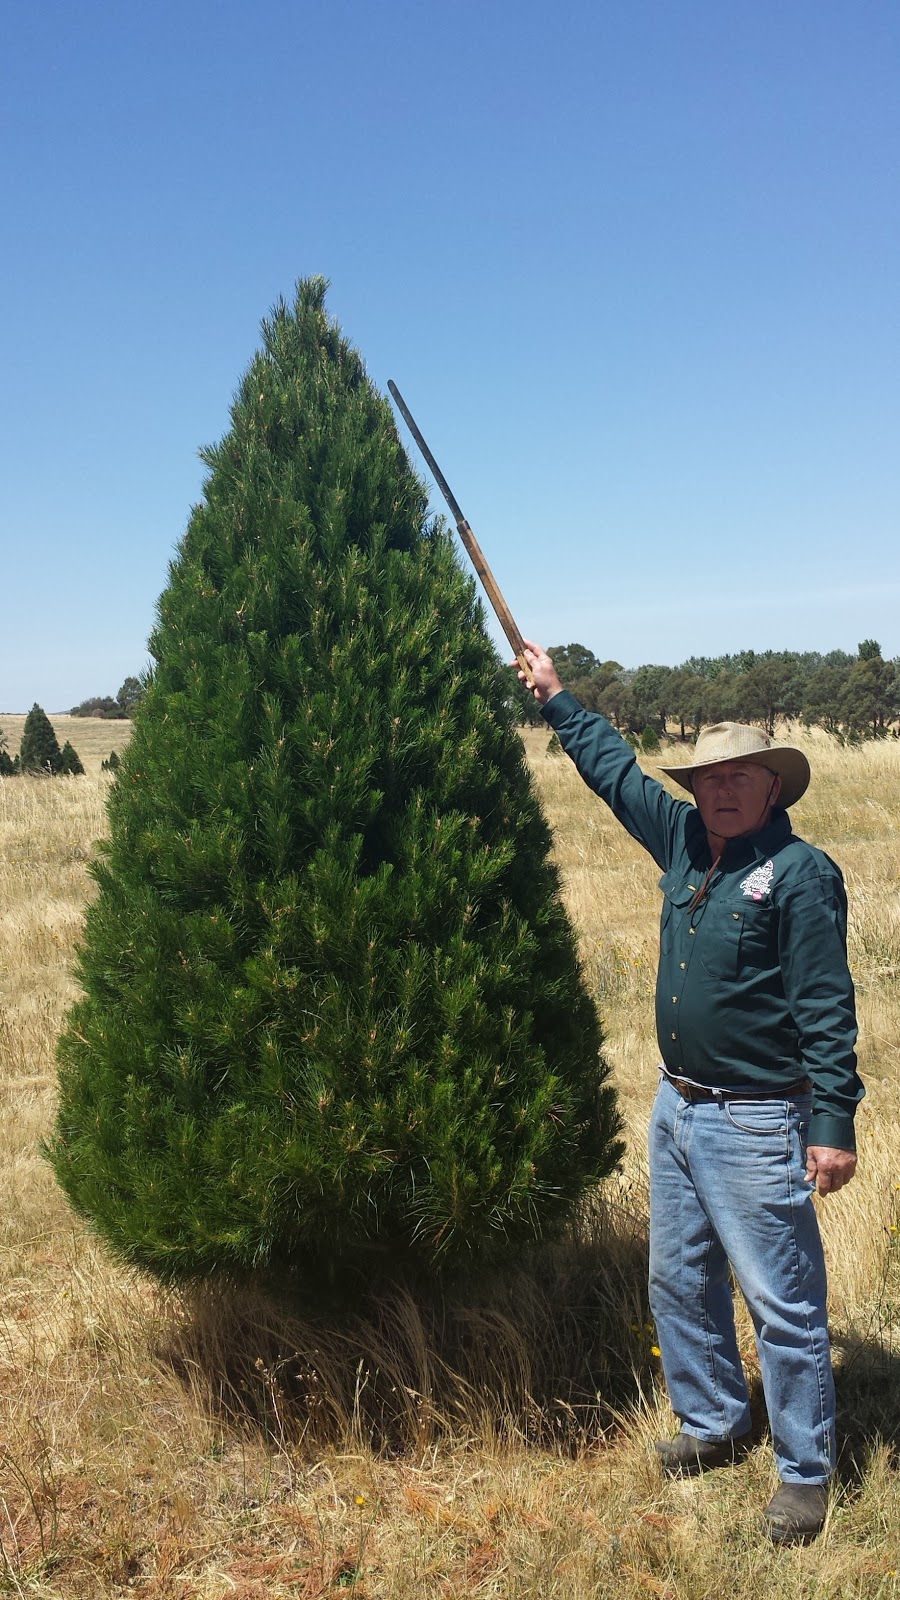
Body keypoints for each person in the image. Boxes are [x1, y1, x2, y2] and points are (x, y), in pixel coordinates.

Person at [516, 642, 863, 1547]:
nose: (722, 789)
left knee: (781, 1299)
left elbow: (828, 1010)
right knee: (677, 1280)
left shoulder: (798, 875)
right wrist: (558, 700)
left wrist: (831, 1126)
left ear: (773, 788)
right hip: (677, 1107)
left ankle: (804, 1472)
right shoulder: (680, 840)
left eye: (741, 776)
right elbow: (615, 775)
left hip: (756, 1117)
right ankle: (715, 1424)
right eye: (710, 776)